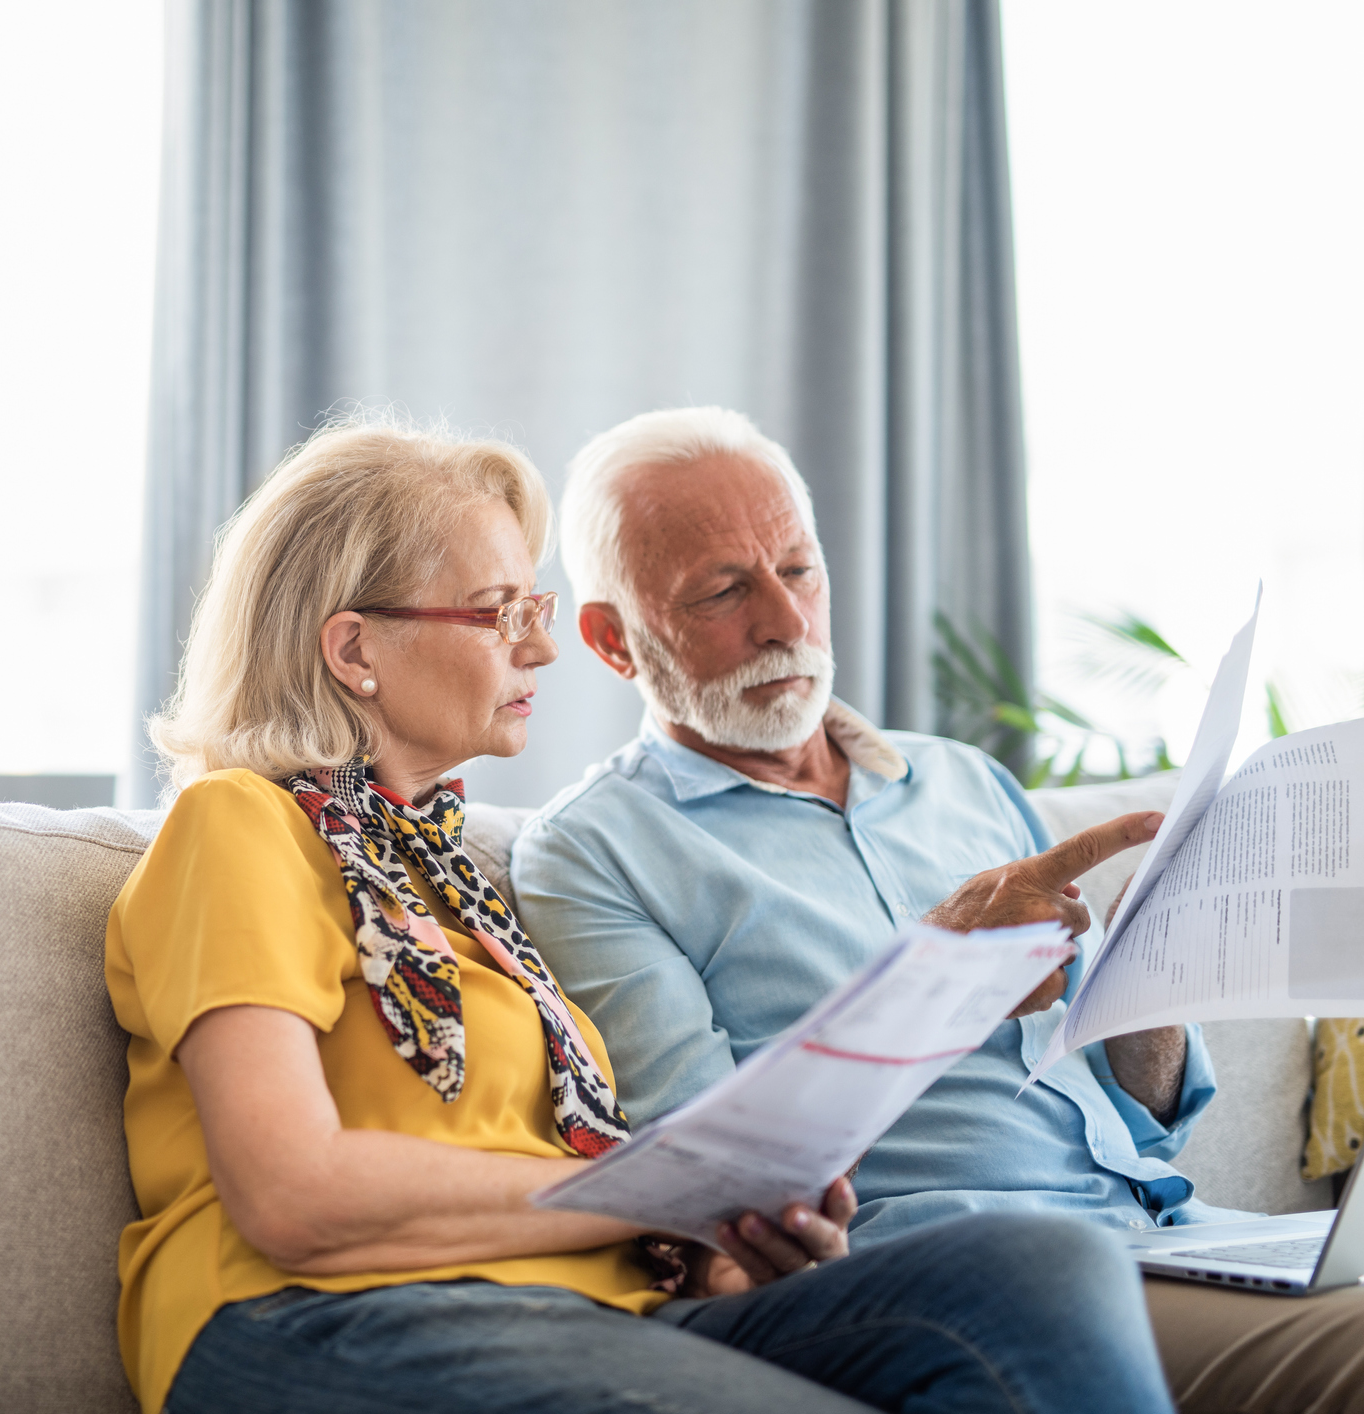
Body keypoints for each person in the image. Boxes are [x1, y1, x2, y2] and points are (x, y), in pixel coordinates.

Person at [107, 415, 1171, 1414]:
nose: (540, 650)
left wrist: (725, 1240)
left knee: (1038, 1264)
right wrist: (667, 1196)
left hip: (587, 1302)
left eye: (536, 610)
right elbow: (291, 1192)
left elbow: (565, 1154)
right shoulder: (239, 824)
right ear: (353, 652)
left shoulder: (458, 883)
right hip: (305, 1310)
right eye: (500, 614)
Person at [513, 403, 1364, 1412]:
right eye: (723, 590)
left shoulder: (962, 782)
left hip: (1171, 1233)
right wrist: (935, 979)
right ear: (614, 641)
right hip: (948, 1264)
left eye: (798, 569)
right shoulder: (593, 848)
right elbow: (711, 1176)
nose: (783, 621)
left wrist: (1156, 975)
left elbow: (1141, 1124)